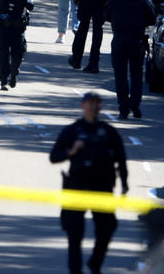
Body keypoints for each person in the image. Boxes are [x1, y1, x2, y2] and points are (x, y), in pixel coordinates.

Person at [50, 92, 128, 274]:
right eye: (90, 103)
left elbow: (121, 159)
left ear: (100, 107)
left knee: (107, 229)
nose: (93, 107)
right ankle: (75, 270)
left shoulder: (109, 132)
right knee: (74, 233)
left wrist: (124, 183)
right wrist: (71, 151)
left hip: (102, 186)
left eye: (97, 103)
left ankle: (95, 262)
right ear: (82, 106)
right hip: (77, 185)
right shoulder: (73, 130)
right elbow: (54, 156)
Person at [104, 0, 156, 119]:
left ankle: (123, 108)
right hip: (137, 40)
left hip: (119, 39)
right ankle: (135, 104)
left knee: (120, 76)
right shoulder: (145, 1)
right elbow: (152, 20)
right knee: (136, 75)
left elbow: (106, 16)